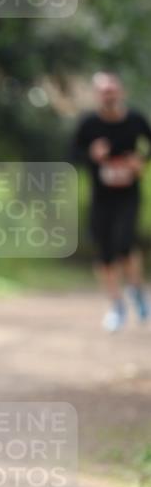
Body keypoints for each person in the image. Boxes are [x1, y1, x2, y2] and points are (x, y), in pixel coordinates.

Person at [72, 72, 151, 331]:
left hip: (128, 195)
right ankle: (117, 305)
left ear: (121, 92)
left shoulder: (135, 120)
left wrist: (140, 162)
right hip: (101, 197)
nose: (109, 95)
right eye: (104, 91)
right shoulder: (89, 124)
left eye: (113, 90)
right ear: (97, 95)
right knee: (105, 252)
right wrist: (92, 154)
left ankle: (137, 292)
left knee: (125, 243)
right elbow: (72, 152)